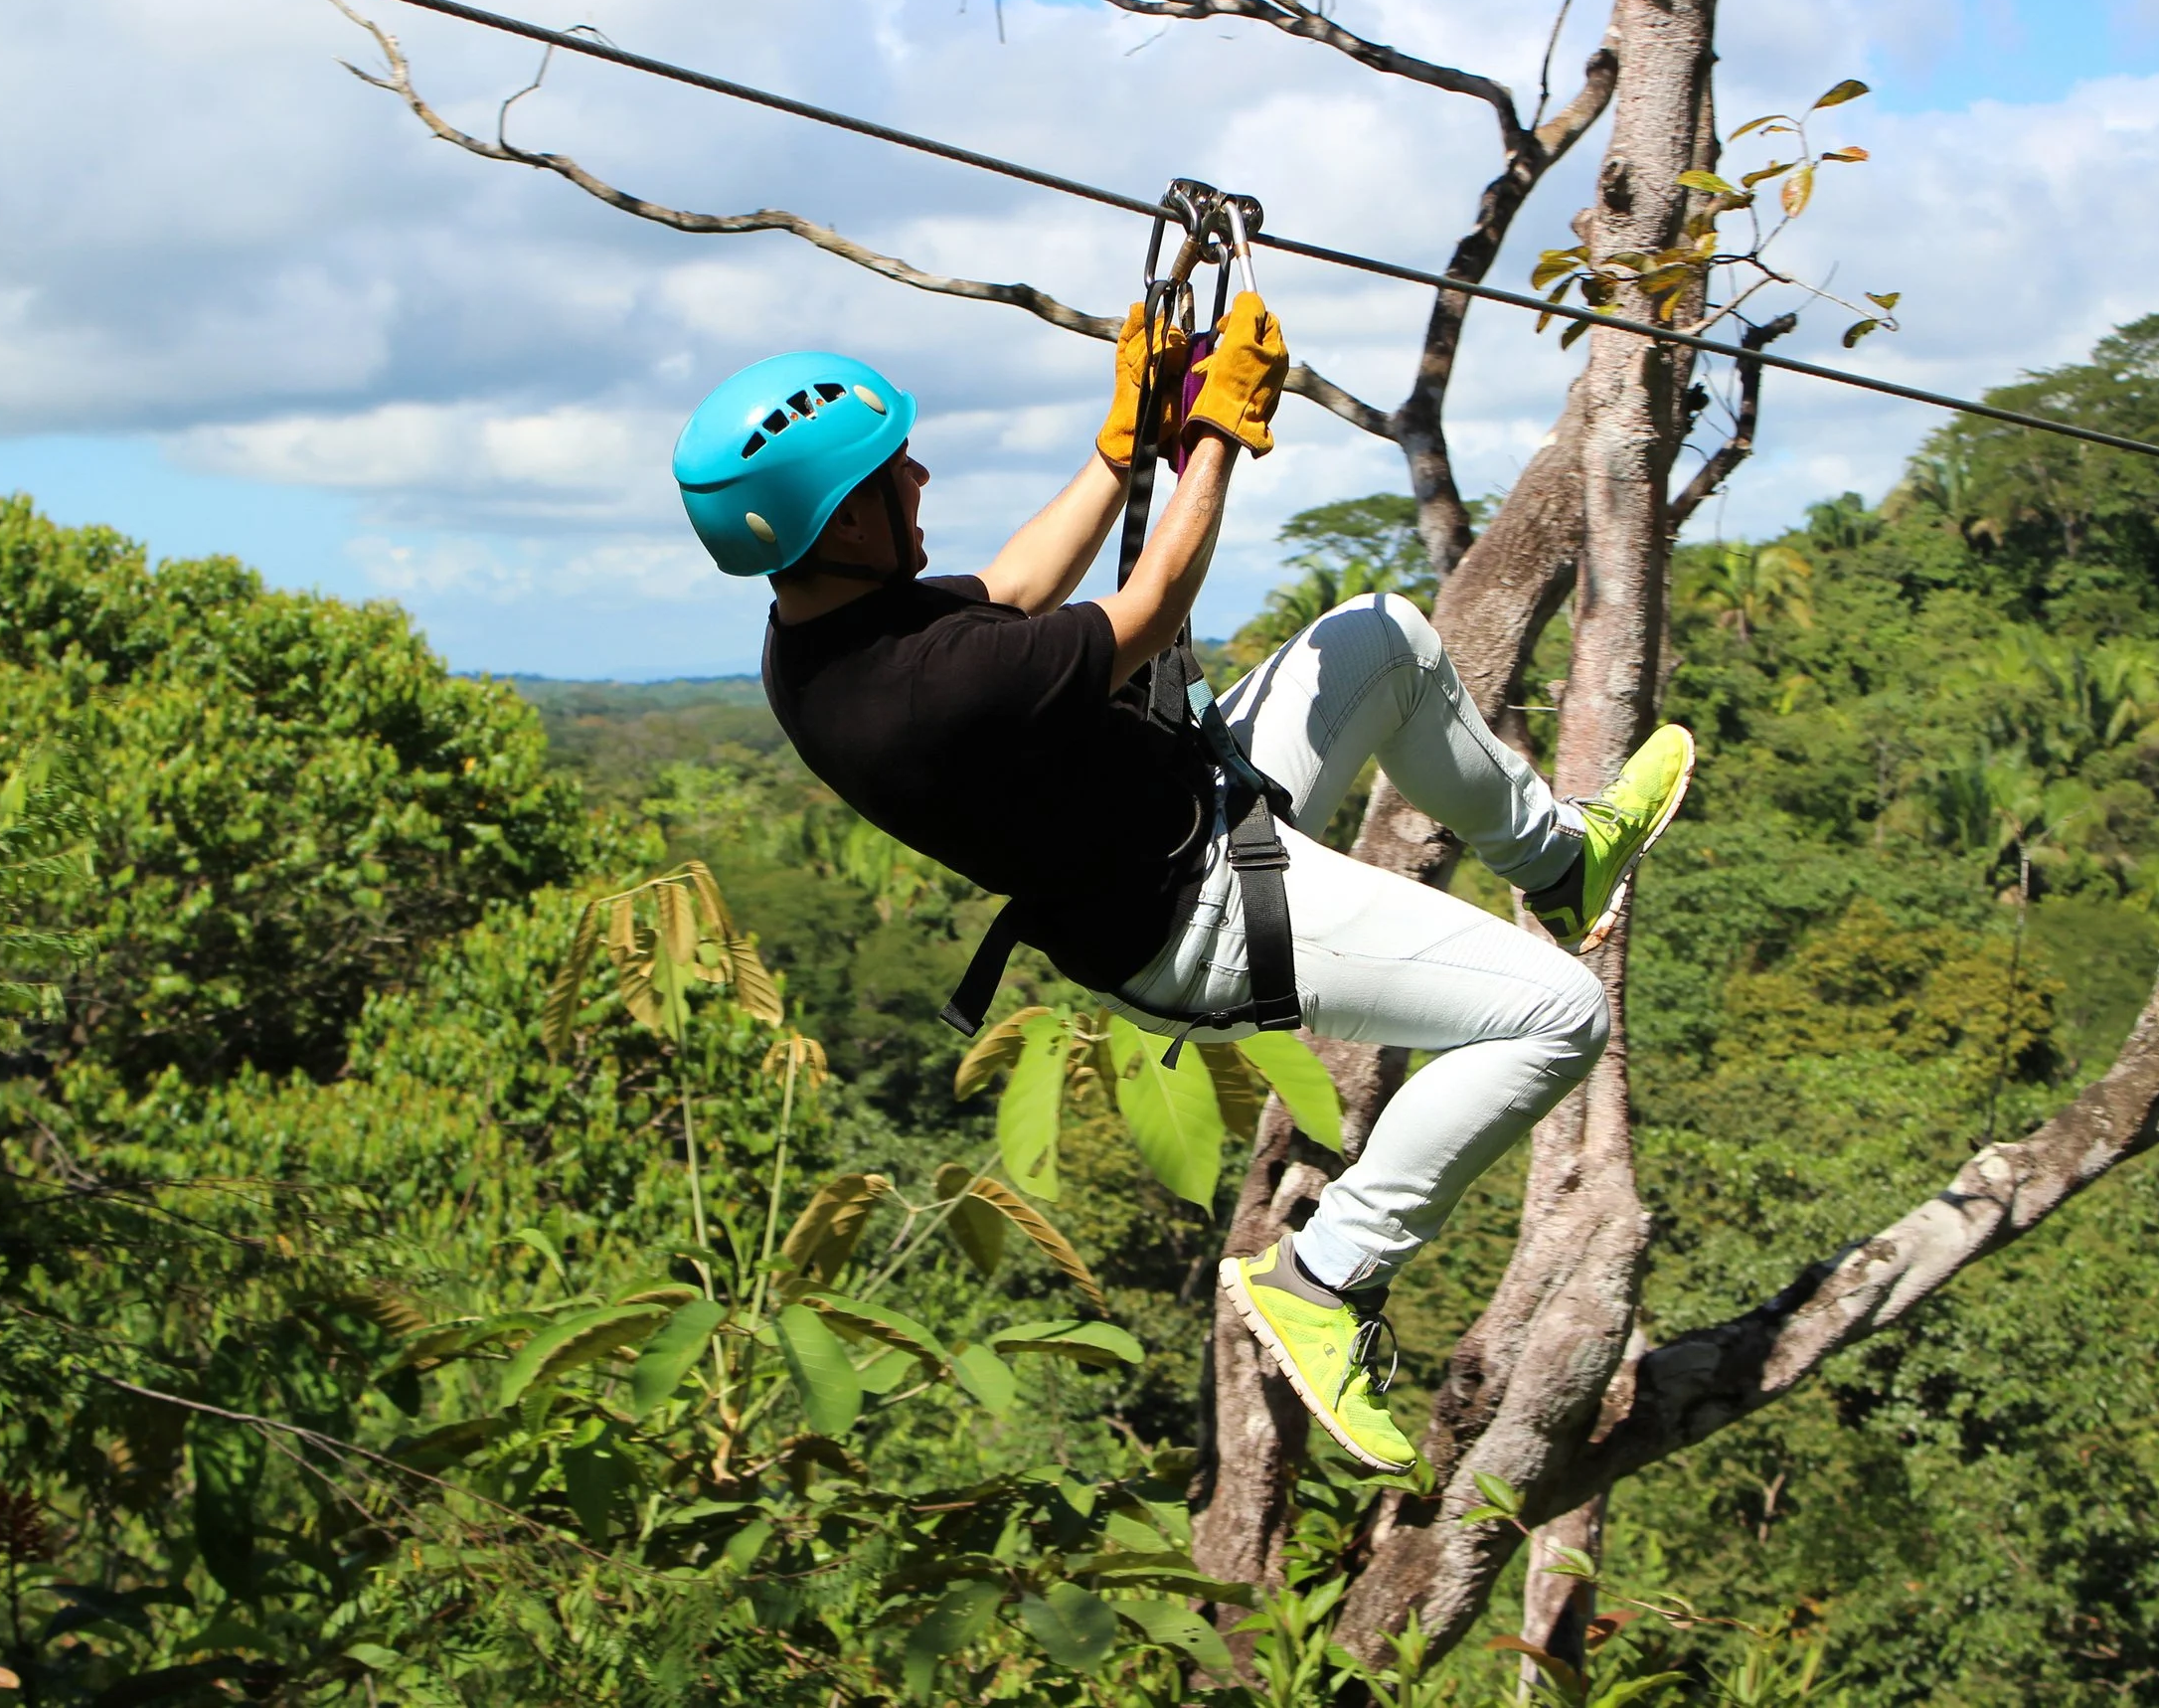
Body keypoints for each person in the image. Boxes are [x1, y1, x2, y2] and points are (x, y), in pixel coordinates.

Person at [669, 294, 1694, 1473]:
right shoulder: (918, 691)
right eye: (895, 474)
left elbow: (1008, 590)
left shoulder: (823, 627)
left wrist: (1122, 444)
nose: (922, 478)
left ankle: (1559, 864)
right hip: (1202, 920)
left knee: (1382, 637)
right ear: (840, 520)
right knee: (1560, 1014)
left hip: (1193, 808)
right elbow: (1149, 605)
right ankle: (1328, 1272)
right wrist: (1214, 428)